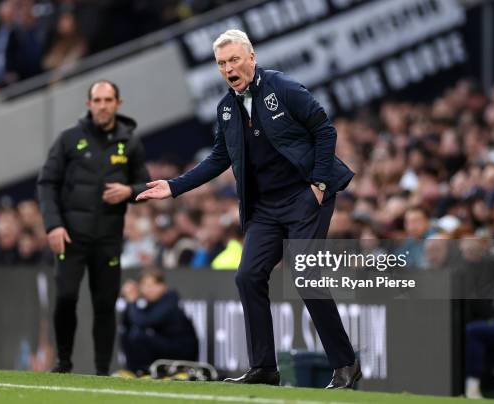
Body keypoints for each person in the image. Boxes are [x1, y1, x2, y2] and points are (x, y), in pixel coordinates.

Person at [137, 29, 360, 388]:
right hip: (266, 207)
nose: (229, 68)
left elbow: (324, 130)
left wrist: (319, 184)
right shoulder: (226, 108)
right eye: (222, 63)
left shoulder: (283, 87)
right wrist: (175, 186)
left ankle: (345, 365)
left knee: (304, 275)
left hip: (305, 196)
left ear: (251, 58)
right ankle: (264, 368)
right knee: (247, 277)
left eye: (235, 60)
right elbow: (218, 158)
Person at [37, 79, 150, 376]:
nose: (102, 106)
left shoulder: (131, 142)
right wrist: (53, 225)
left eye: (108, 100)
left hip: (108, 239)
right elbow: (47, 183)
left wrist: (129, 191)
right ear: (89, 104)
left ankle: (102, 371)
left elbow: (147, 186)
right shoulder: (68, 139)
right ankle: (63, 362)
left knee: (104, 304)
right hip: (70, 236)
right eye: (97, 100)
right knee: (65, 298)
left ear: (118, 104)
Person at [119, 270, 199, 374]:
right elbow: (127, 324)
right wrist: (130, 302)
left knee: (139, 336)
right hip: (163, 345)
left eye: (152, 285)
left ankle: (145, 371)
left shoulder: (170, 300)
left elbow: (144, 322)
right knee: (126, 333)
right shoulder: (148, 302)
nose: (148, 289)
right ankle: (134, 371)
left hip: (181, 351)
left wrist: (133, 302)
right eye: (144, 285)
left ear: (163, 286)